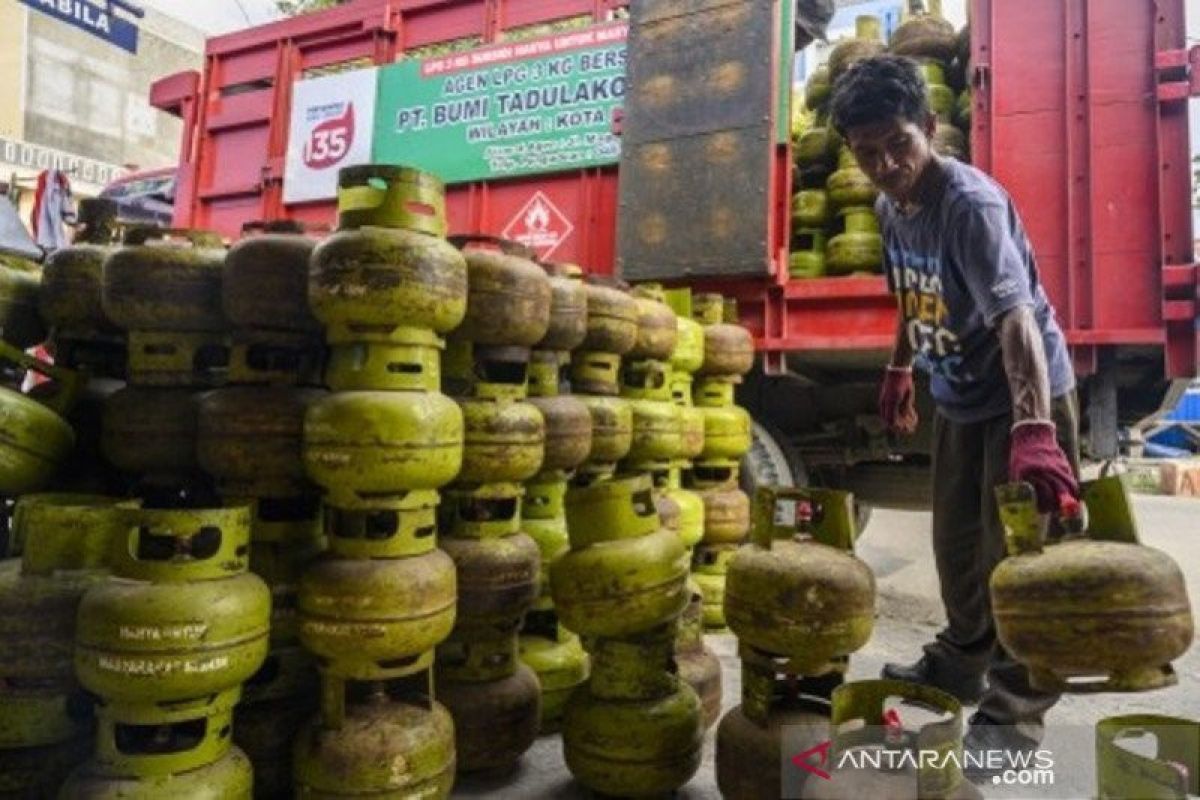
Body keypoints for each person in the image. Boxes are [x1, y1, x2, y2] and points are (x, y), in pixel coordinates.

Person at [829, 54, 1080, 775]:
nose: (887, 165)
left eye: (899, 145)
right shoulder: (888, 206)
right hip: (960, 398)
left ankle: (1015, 719)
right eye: (867, 152)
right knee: (959, 554)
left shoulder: (968, 204)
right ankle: (961, 665)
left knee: (1023, 569)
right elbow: (916, 291)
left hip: (1020, 393)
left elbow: (1017, 320)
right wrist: (900, 365)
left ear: (930, 128)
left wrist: (1034, 429)